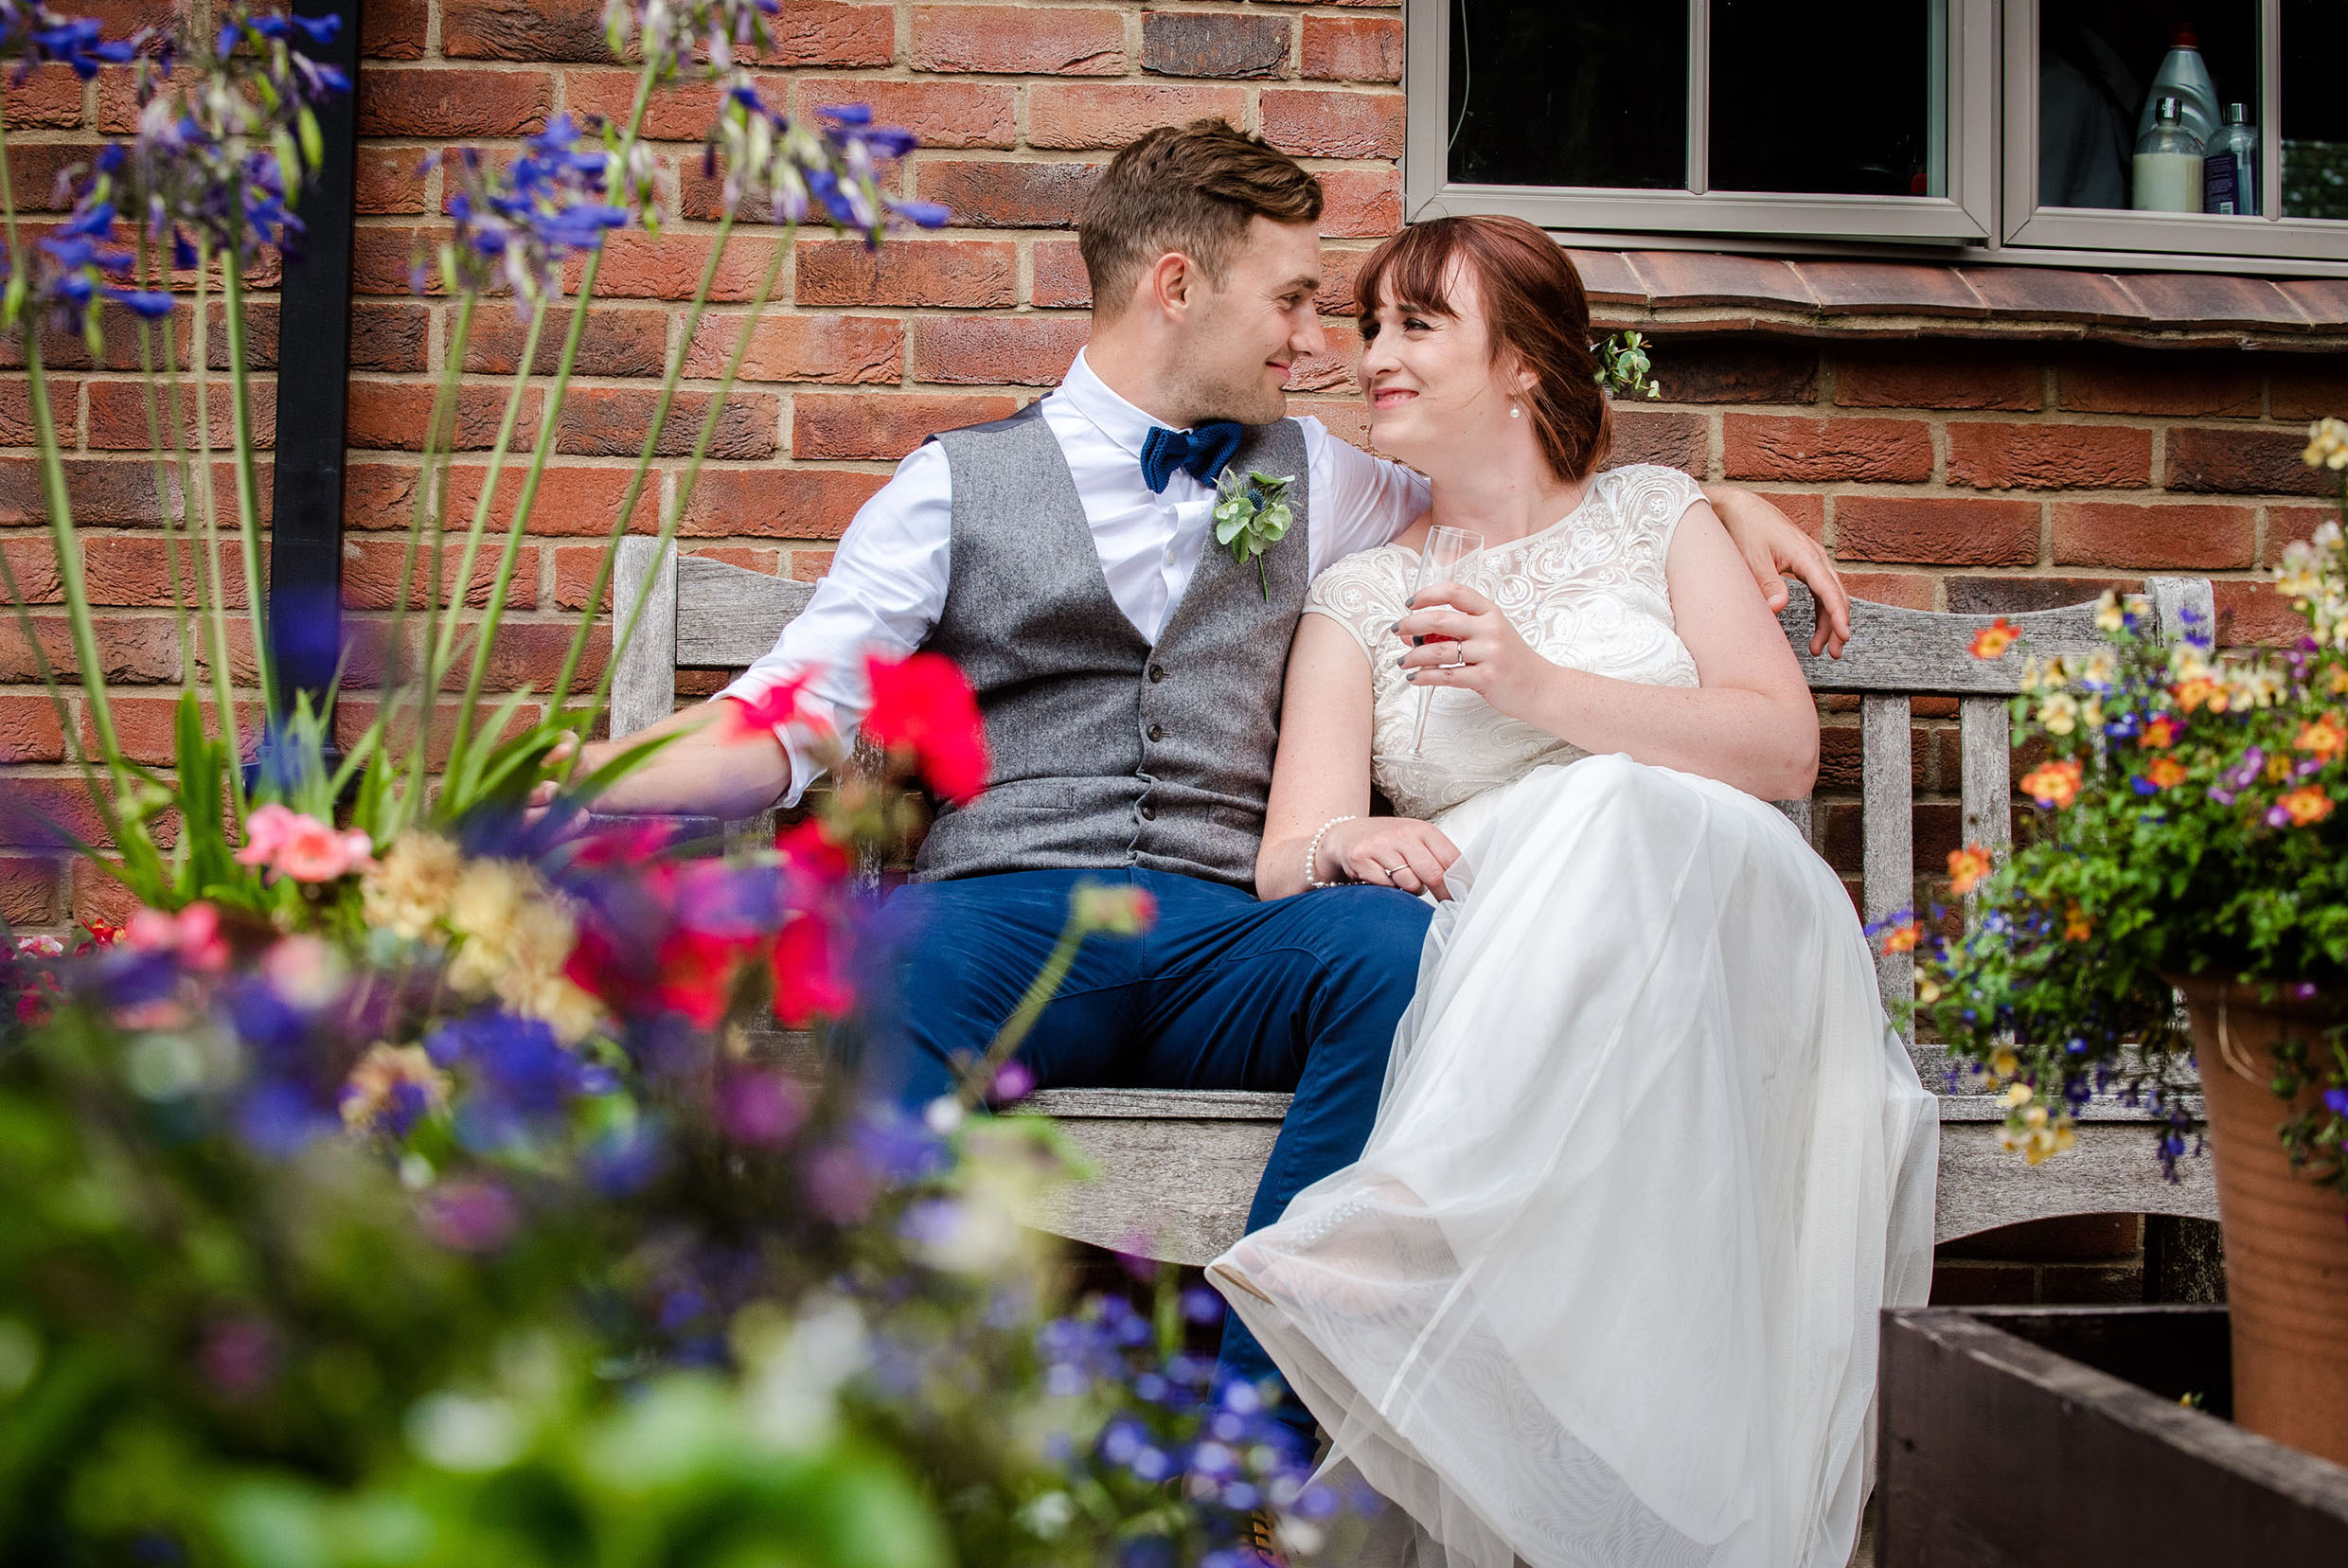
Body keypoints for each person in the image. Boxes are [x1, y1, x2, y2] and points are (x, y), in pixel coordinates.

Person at [566, 120, 1854, 1455]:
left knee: (1393, 953)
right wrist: (585, 782)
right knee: (895, 964)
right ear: (1178, 287)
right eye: (1294, 301)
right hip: (1012, 915)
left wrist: (1712, 509)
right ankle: (875, 1428)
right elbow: (794, 717)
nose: (1318, 344)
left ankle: (1247, 1437)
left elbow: (1529, 490)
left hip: (1223, 930)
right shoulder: (948, 490)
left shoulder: (1332, 479)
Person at [1206, 215, 1937, 1568]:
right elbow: (1284, 850)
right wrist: (1348, 846)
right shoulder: (1363, 594)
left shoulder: (1661, 519)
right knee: (1575, 828)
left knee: (1610, 798)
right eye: (1372, 327)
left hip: (1731, 944)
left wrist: (1538, 690)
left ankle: (1416, 1238)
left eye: (1417, 326)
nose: (1376, 355)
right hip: (1520, 972)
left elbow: (1781, 749)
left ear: (1528, 364)